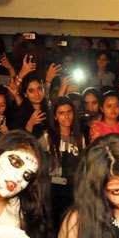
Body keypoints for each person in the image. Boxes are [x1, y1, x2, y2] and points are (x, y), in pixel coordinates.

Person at [40, 96, 86, 229]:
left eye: (69, 112)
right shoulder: (47, 137)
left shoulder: (79, 137)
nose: (66, 116)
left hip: (72, 189)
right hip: (52, 190)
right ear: (55, 116)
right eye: (61, 113)